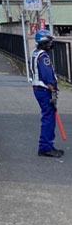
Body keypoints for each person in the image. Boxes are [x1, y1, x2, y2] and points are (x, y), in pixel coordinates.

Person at [31, 29, 64, 157]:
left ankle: (48, 145)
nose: (51, 43)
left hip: (38, 88)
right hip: (44, 89)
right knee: (48, 118)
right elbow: (47, 76)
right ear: (45, 42)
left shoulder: (35, 53)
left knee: (48, 116)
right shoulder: (43, 56)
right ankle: (45, 146)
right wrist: (53, 91)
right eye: (50, 41)